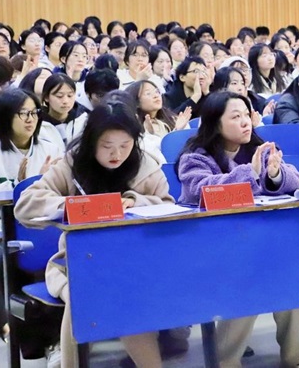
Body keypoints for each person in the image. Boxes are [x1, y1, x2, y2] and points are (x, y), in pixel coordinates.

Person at [14, 100, 173, 368]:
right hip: (76, 262)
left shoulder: (146, 166)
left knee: (125, 291)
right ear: (91, 141)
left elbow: (168, 205)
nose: (117, 154)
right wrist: (76, 206)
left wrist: (135, 201)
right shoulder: (73, 164)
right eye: (107, 146)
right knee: (85, 293)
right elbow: (26, 204)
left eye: (125, 145)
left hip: (138, 260)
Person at [177, 91, 299, 368]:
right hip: (212, 247)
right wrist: (251, 172)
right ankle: (226, 362)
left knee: (292, 278)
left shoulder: (259, 148)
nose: (246, 122)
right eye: (235, 117)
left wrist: (274, 174)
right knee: (247, 278)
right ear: (215, 123)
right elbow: (202, 191)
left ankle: (295, 359)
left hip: (258, 243)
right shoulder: (194, 157)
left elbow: (297, 180)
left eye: (247, 115)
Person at [125, 80, 192, 140]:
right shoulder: (134, 128)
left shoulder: (173, 119)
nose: (156, 96)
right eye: (148, 93)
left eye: (157, 91)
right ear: (136, 102)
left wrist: (180, 129)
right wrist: (149, 134)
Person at [39, 74, 89, 146]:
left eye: (70, 96)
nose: (65, 101)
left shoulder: (83, 120)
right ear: (46, 97)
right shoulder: (37, 122)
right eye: (59, 96)